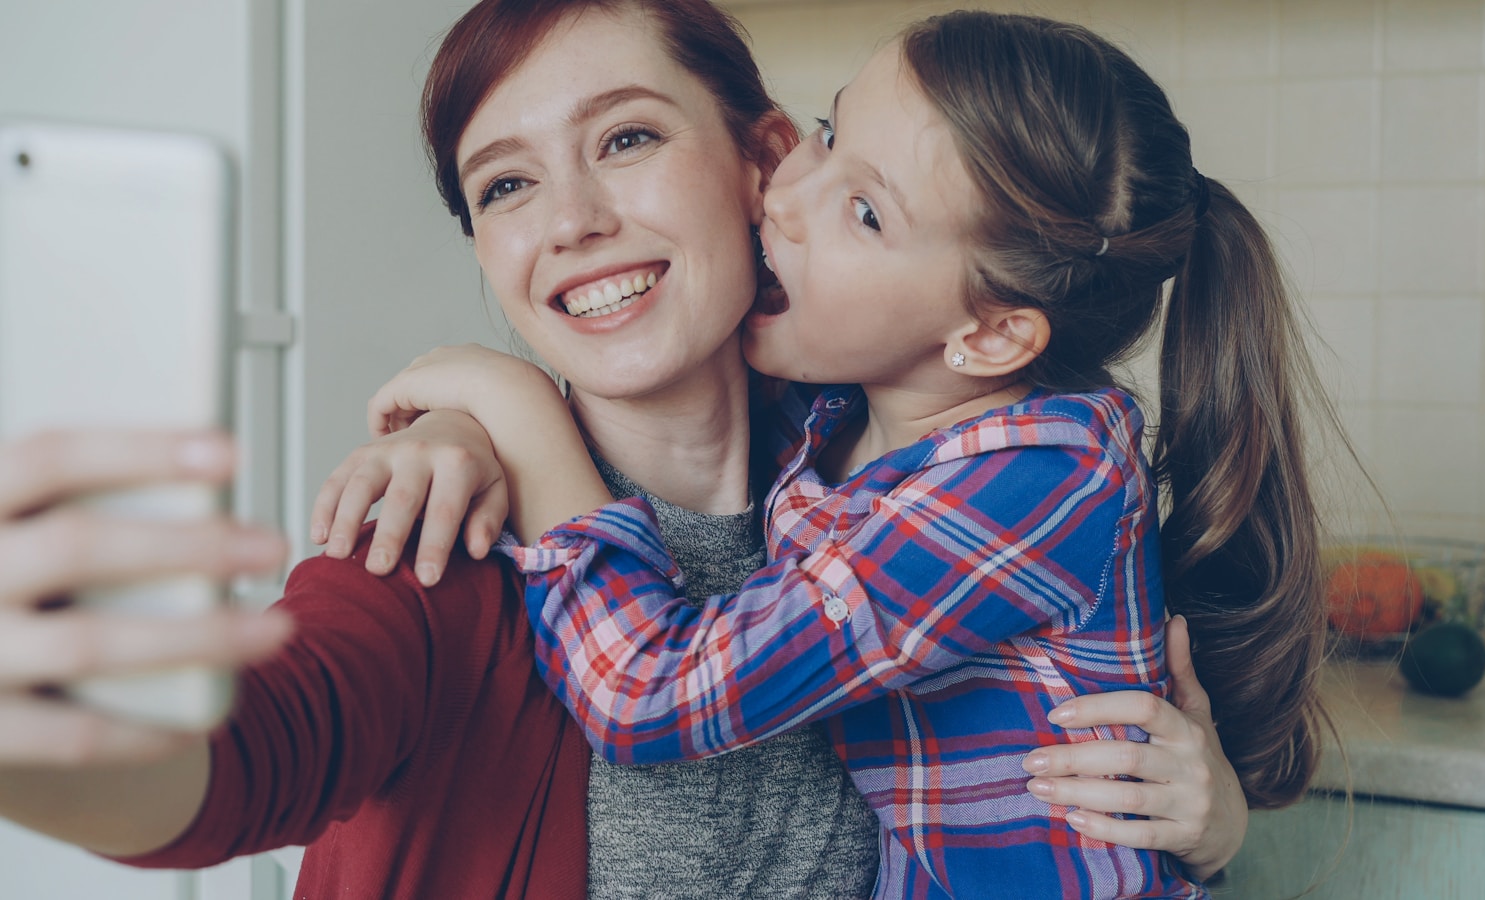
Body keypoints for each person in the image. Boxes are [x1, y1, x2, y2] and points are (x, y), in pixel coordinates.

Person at [0, 1, 1246, 897]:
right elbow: (240, 765)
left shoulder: (882, 471)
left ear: (761, 165)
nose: (575, 224)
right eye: (504, 187)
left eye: (627, 139)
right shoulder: (446, 532)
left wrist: (1208, 825)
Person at [335, 6, 1333, 898]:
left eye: (863, 212)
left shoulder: (1033, 480)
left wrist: (515, 412)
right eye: (826, 137)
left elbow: (650, 694)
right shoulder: (836, 419)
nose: (785, 196)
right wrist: (457, 432)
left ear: (987, 337)